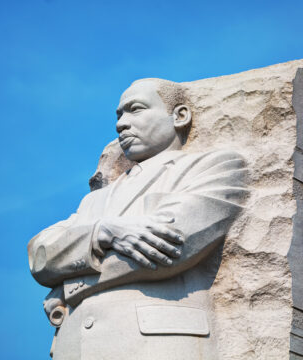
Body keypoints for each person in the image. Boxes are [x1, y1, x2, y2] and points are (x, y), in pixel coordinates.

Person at [28, 78, 249, 360]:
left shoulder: (214, 167)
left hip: (158, 343)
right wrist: (101, 233)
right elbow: (40, 254)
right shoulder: (93, 201)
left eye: (135, 110)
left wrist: (67, 284)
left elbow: (169, 247)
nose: (121, 123)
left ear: (180, 116)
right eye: (119, 115)